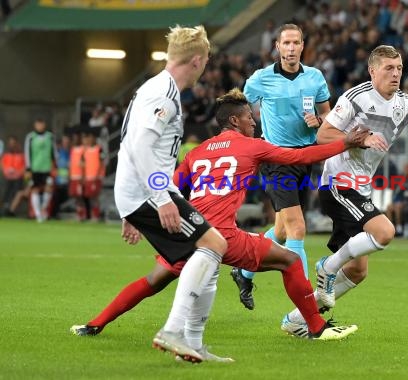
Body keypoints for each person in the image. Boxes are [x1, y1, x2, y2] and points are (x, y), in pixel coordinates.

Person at [70, 88, 367, 341]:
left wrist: (132, 215)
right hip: (222, 235)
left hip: (190, 233)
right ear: (235, 120)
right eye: (251, 117)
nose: (254, 122)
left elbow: (168, 188)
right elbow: (300, 157)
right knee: (289, 261)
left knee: (154, 279)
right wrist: (345, 143)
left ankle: (94, 324)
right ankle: (315, 327)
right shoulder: (252, 147)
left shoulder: (197, 152)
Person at [281, 45, 408, 336]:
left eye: (399, 68)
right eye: (389, 68)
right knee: (384, 232)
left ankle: (297, 320)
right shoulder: (356, 97)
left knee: (359, 271)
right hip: (336, 183)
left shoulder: (407, 105)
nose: (396, 74)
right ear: (372, 70)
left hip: (360, 190)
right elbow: (323, 135)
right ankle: (328, 267)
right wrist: (360, 139)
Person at [100, 25, 230, 363]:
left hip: (143, 191)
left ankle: (192, 344)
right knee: (214, 245)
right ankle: (174, 332)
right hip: (149, 192)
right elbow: (140, 147)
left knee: (206, 256)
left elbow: (131, 146)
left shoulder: (160, 88)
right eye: (206, 61)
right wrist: (158, 200)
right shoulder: (162, 94)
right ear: (198, 60)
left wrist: (132, 211)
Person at [232, 23, 332, 310]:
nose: (290, 48)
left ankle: (244, 271)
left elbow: (327, 113)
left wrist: (319, 121)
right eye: (285, 43)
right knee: (298, 229)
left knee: (282, 231)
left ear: (303, 46)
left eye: (295, 43)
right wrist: (247, 142)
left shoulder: (315, 77)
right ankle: (309, 305)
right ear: (277, 46)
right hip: (276, 159)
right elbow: (241, 111)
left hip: (305, 158)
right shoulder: (260, 79)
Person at [24, 118, 57, 222]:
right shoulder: (30, 137)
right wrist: (28, 168)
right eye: (38, 124)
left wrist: (55, 165)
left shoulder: (50, 136)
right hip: (35, 168)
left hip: (47, 167)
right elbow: (27, 152)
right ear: (35, 125)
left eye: (41, 124)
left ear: (44, 125)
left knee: (48, 189)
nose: (40, 126)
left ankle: (43, 209)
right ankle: (38, 215)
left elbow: (54, 151)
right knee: (35, 190)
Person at [1, 136, 25, 216]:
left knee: (17, 194)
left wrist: (18, 173)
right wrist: (6, 172)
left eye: (13, 143)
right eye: (10, 143)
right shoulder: (6, 155)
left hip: (18, 179)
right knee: (5, 195)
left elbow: (24, 167)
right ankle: (3, 210)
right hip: (7, 178)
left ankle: (11, 211)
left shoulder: (21, 155)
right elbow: (2, 165)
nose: (12, 145)